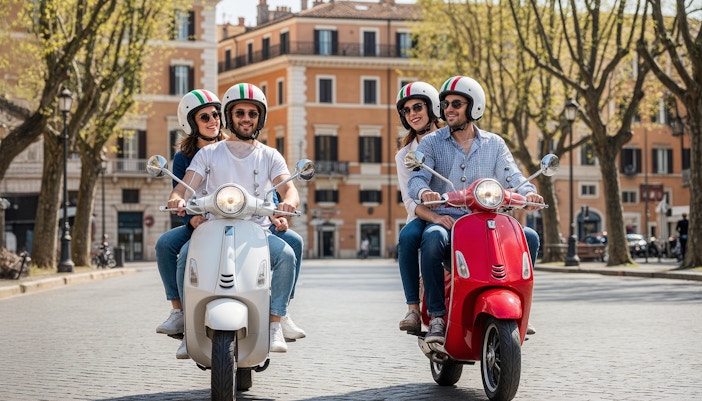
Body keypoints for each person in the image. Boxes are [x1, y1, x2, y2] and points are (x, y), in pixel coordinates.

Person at [407, 76, 543, 344]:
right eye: (445, 104)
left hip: (487, 220)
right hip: (449, 220)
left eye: (456, 103)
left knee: (530, 237)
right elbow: (417, 178)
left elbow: (512, 174)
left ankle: (519, 305)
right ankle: (436, 315)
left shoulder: (494, 143)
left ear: (474, 107)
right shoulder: (432, 143)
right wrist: (425, 192)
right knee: (432, 238)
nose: (449, 109)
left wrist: (528, 193)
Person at [168, 82, 302, 353]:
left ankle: (276, 322)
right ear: (230, 116)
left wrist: (288, 202)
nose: (246, 119)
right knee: (185, 259)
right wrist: (177, 197)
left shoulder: (270, 155)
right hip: (213, 229)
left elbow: (288, 187)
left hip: (257, 232)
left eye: (252, 114)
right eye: (239, 113)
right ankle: (187, 330)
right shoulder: (208, 153)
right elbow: (185, 184)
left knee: (287, 254)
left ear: (260, 118)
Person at [154, 89, 226, 359]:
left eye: (216, 115)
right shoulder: (184, 157)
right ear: (191, 122)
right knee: (166, 245)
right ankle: (180, 314)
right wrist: (188, 214)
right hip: (197, 223)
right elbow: (179, 191)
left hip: (232, 219)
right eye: (205, 116)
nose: (213, 120)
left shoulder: (231, 148)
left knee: (186, 255)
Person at [394, 81, 446, 333]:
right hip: (423, 214)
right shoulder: (404, 154)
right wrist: (434, 217)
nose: (412, 113)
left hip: (453, 210)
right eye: (407, 110)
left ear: (432, 108)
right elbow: (410, 201)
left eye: (418, 107)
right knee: (407, 237)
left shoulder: (450, 140)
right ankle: (413, 308)